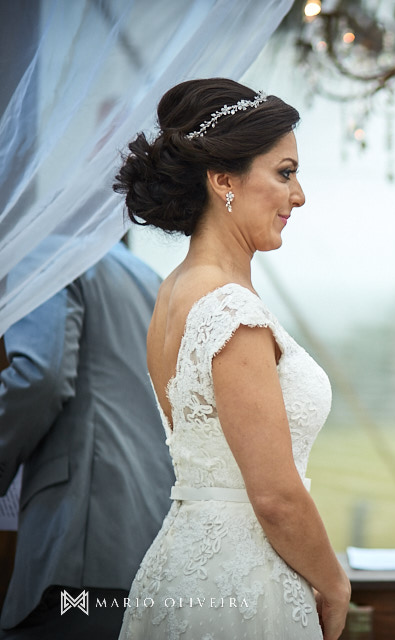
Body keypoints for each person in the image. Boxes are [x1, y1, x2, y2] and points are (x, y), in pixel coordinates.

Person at [113, 78, 350, 639]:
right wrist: (335, 585)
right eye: (285, 173)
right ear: (223, 180)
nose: (299, 196)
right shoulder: (229, 309)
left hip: (184, 559)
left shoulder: (174, 291)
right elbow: (274, 496)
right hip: (245, 585)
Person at [0, 241, 176, 639]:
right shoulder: (148, 277)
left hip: (79, 540)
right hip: (150, 536)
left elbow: (39, 378)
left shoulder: (45, 253)